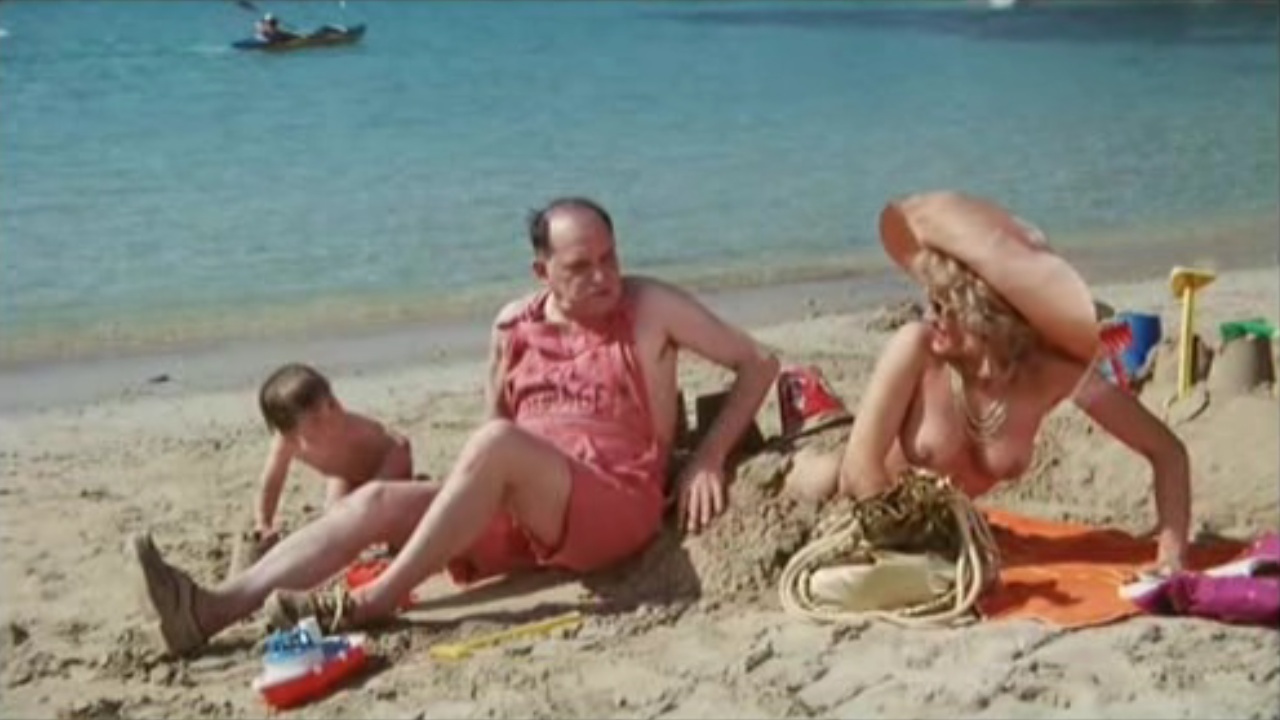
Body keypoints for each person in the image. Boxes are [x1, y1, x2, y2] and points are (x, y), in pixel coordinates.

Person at [128, 197, 780, 656]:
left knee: (495, 446)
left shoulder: (651, 306)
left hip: (613, 506)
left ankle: (378, 600)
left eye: (610, 258)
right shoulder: (511, 324)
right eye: (580, 267)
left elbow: (758, 363)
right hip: (523, 506)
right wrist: (455, 506)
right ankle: (207, 610)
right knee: (375, 501)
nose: (604, 276)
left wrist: (706, 459)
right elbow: (496, 424)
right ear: (542, 272)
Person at [785, 190, 1191, 573]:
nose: (930, 313)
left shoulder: (1051, 375)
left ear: (990, 315)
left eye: (944, 303)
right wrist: (919, 552)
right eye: (930, 299)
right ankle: (804, 417)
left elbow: (1168, 452)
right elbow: (859, 472)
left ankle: (819, 407)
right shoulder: (918, 347)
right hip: (859, 498)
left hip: (941, 528)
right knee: (808, 474)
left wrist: (1170, 554)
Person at [229, 362, 417, 573]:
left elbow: (399, 445)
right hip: (344, 474)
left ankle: (402, 541)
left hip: (389, 460)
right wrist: (263, 521)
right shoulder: (286, 444)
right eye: (316, 419)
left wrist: (384, 480)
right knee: (334, 521)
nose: (332, 417)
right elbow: (272, 481)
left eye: (332, 404)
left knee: (378, 510)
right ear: (290, 433)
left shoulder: (351, 428)